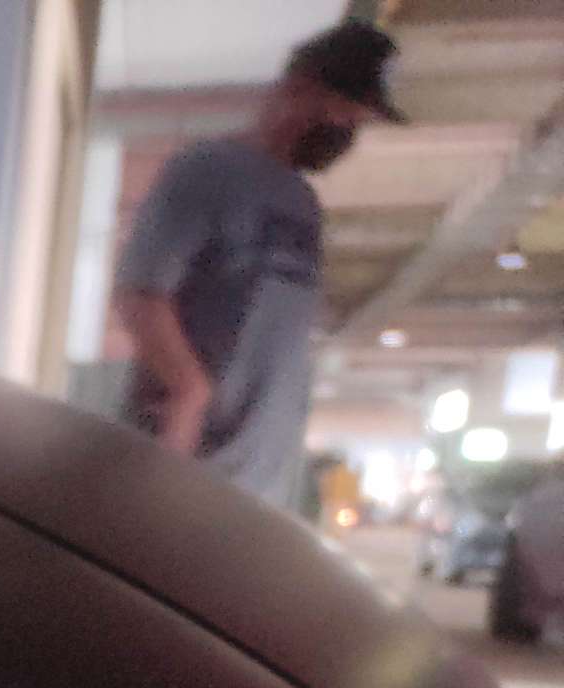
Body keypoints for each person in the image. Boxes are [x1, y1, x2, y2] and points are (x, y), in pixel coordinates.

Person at [113, 21, 404, 506]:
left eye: (359, 122)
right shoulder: (207, 170)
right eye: (345, 113)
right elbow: (140, 293)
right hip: (186, 473)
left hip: (255, 487)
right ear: (301, 86)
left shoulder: (304, 206)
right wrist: (188, 392)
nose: (348, 133)